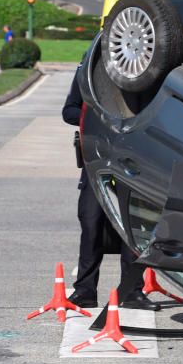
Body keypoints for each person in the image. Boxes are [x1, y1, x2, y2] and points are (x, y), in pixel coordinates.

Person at [62, 63, 159, 311]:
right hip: (97, 162)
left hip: (133, 163)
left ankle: (132, 291)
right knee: (91, 223)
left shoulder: (146, 72)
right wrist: (95, 116)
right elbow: (69, 111)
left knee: (133, 228)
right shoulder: (88, 72)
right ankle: (85, 290)